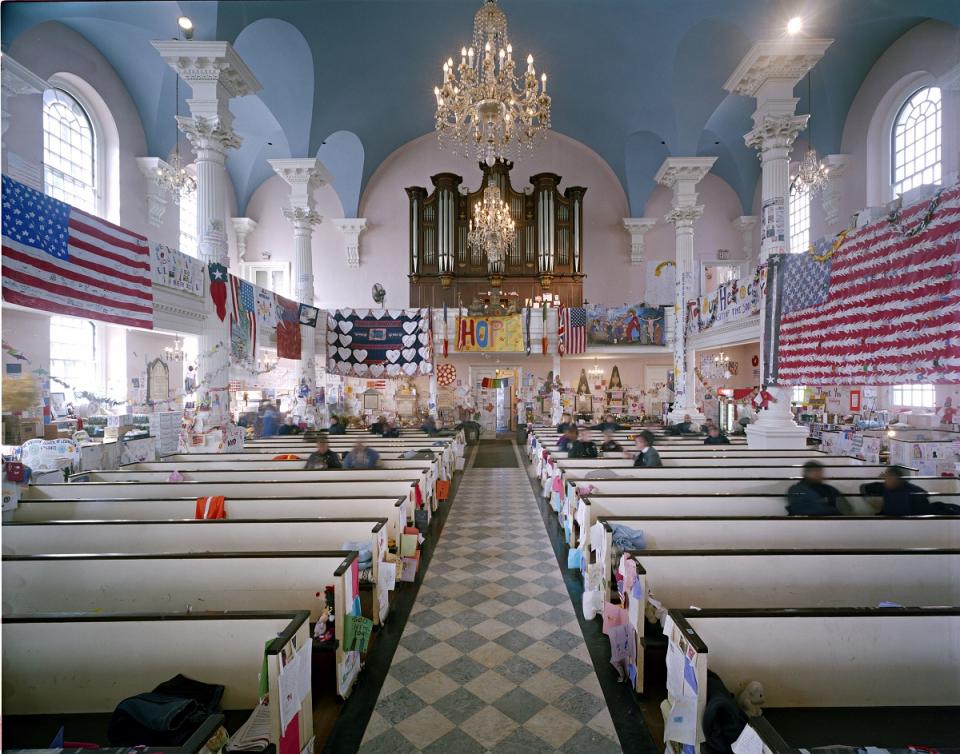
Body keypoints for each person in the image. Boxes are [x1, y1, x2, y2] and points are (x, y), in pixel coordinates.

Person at [862, 466, 931, 516]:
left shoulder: (915, 492)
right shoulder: (884, 487)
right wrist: (870, 501)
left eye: (889, 477)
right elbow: (863, 487)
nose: (886, 480)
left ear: (898, 478)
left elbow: (923, 518)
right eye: (886, 477)